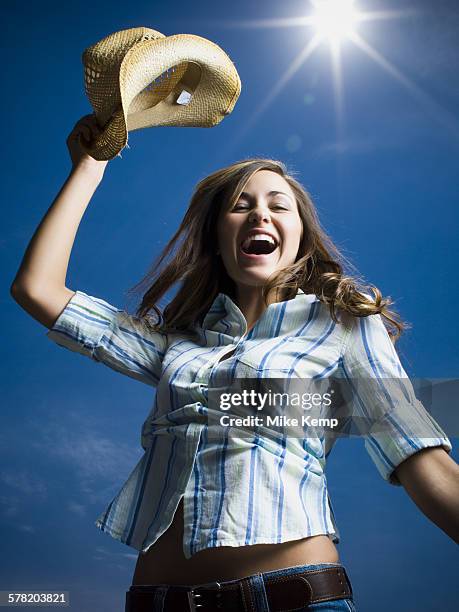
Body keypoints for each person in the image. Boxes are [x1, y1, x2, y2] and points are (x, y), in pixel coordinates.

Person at [10, 114, 459, 612]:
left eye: (278, 206)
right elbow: (39, 290)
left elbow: (421, 457)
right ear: (218, 239)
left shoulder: (342, 323)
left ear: (301, 238)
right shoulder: (178, 347)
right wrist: (90, 167)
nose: (259, 216)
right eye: (239, 207)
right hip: (155, 601)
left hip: (294, 598)